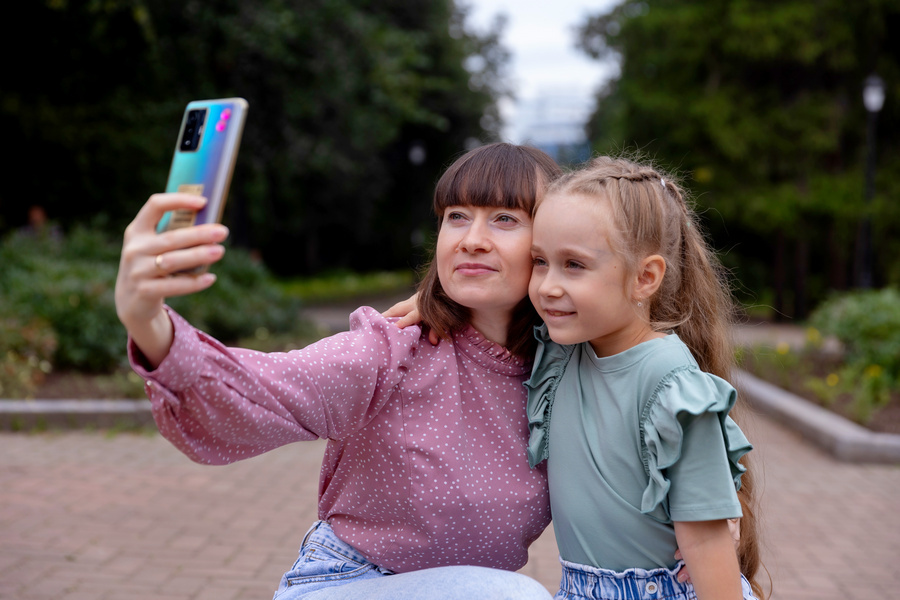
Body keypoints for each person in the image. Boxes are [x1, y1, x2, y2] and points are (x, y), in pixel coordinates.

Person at [114, 142, 563, 600]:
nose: (471, 238)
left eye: (505, 219)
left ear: (550, 246)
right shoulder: (392, 349)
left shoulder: (564, 375)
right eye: (457, 216)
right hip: (346, 584)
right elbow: (266, 389)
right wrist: (148, 321)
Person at [525, 155, 763, 599]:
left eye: (573, 265)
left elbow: (706, 540)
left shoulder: (669, 384)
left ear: (645, 278)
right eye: (540, 261)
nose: (547, 286)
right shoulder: (564, 349)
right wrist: (433, 304)